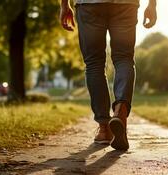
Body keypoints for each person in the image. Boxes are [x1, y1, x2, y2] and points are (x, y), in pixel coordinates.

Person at [60, 0, 157, 150]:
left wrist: (64, 5)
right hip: (126, 4)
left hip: (89, 5)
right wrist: (152, 5)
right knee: (124, 58)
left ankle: (104, 129)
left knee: (94, 64)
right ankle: (120, 111)